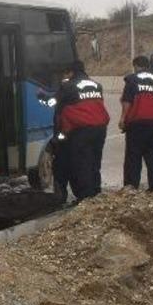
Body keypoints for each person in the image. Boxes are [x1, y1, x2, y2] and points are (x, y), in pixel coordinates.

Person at [39, 61, 110, 202]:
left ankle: (85, 198)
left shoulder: (68, 86)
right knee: (94, 161)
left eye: (66, 73)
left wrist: (41, 96)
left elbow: (52, 102)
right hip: (100, 129)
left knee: (81, 163)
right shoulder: (96, 85)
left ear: (71, 72)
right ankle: (96, 192)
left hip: (81, 130)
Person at [119, 56, 153, 191]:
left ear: (136, 66)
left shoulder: (132, 79)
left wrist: (123, 119)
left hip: (137, 123)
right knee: (152, 156)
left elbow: (127, 101)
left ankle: (131, 187)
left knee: (133, 157)